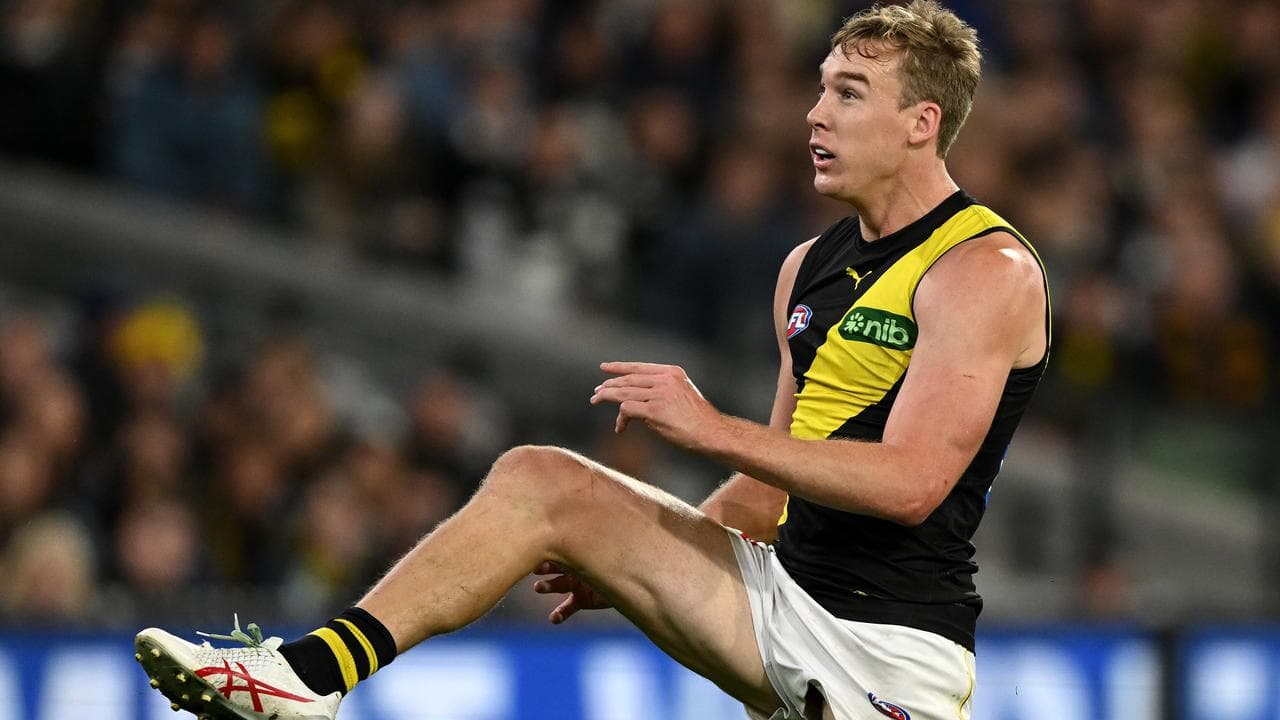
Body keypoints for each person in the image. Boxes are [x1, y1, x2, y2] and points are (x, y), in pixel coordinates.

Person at [134, 2, 1050, 718]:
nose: (814, 113)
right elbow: (766, 496)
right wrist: (632, 560)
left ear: (921, 122)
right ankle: (306, 675)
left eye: (848, 94)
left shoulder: (984, 270)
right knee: (543, 482)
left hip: (888, 648)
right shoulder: (807, 268)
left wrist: (710, 430)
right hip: (785, 599)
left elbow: (912, 484)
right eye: (820, 88)